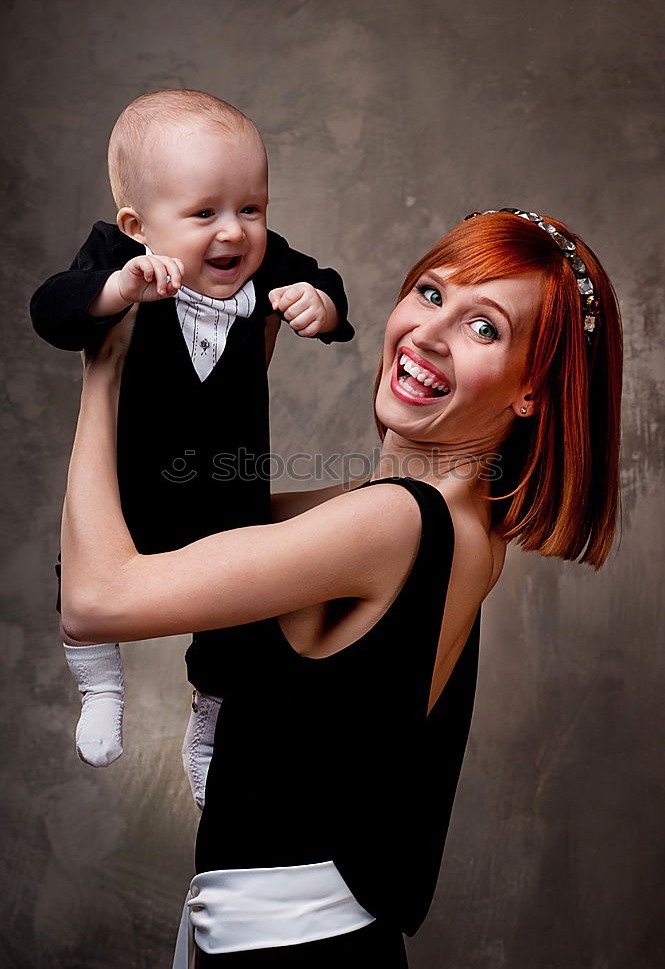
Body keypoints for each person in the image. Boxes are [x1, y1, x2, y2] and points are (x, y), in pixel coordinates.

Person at [59, 208, 622, 966]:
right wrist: (230, 350)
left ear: (532, 390)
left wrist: (106, 365)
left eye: (483, 328)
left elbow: (96, 600)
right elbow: (179, 517)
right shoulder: (441, 517)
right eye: (429, 293)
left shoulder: (391, 523)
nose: (427, 334)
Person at [30, 89, 353, 787]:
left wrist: (319, 306)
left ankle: (211, 708)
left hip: (227, 481)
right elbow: (51, 308)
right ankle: (100, 685)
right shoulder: (120, 257)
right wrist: (115, 290)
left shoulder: (267, 265)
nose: (233, 232)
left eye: (251, 208)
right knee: (84, 572)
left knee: (240, 598)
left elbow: (325, 280)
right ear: (137, 224)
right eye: (204, 213)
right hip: (131, 473)